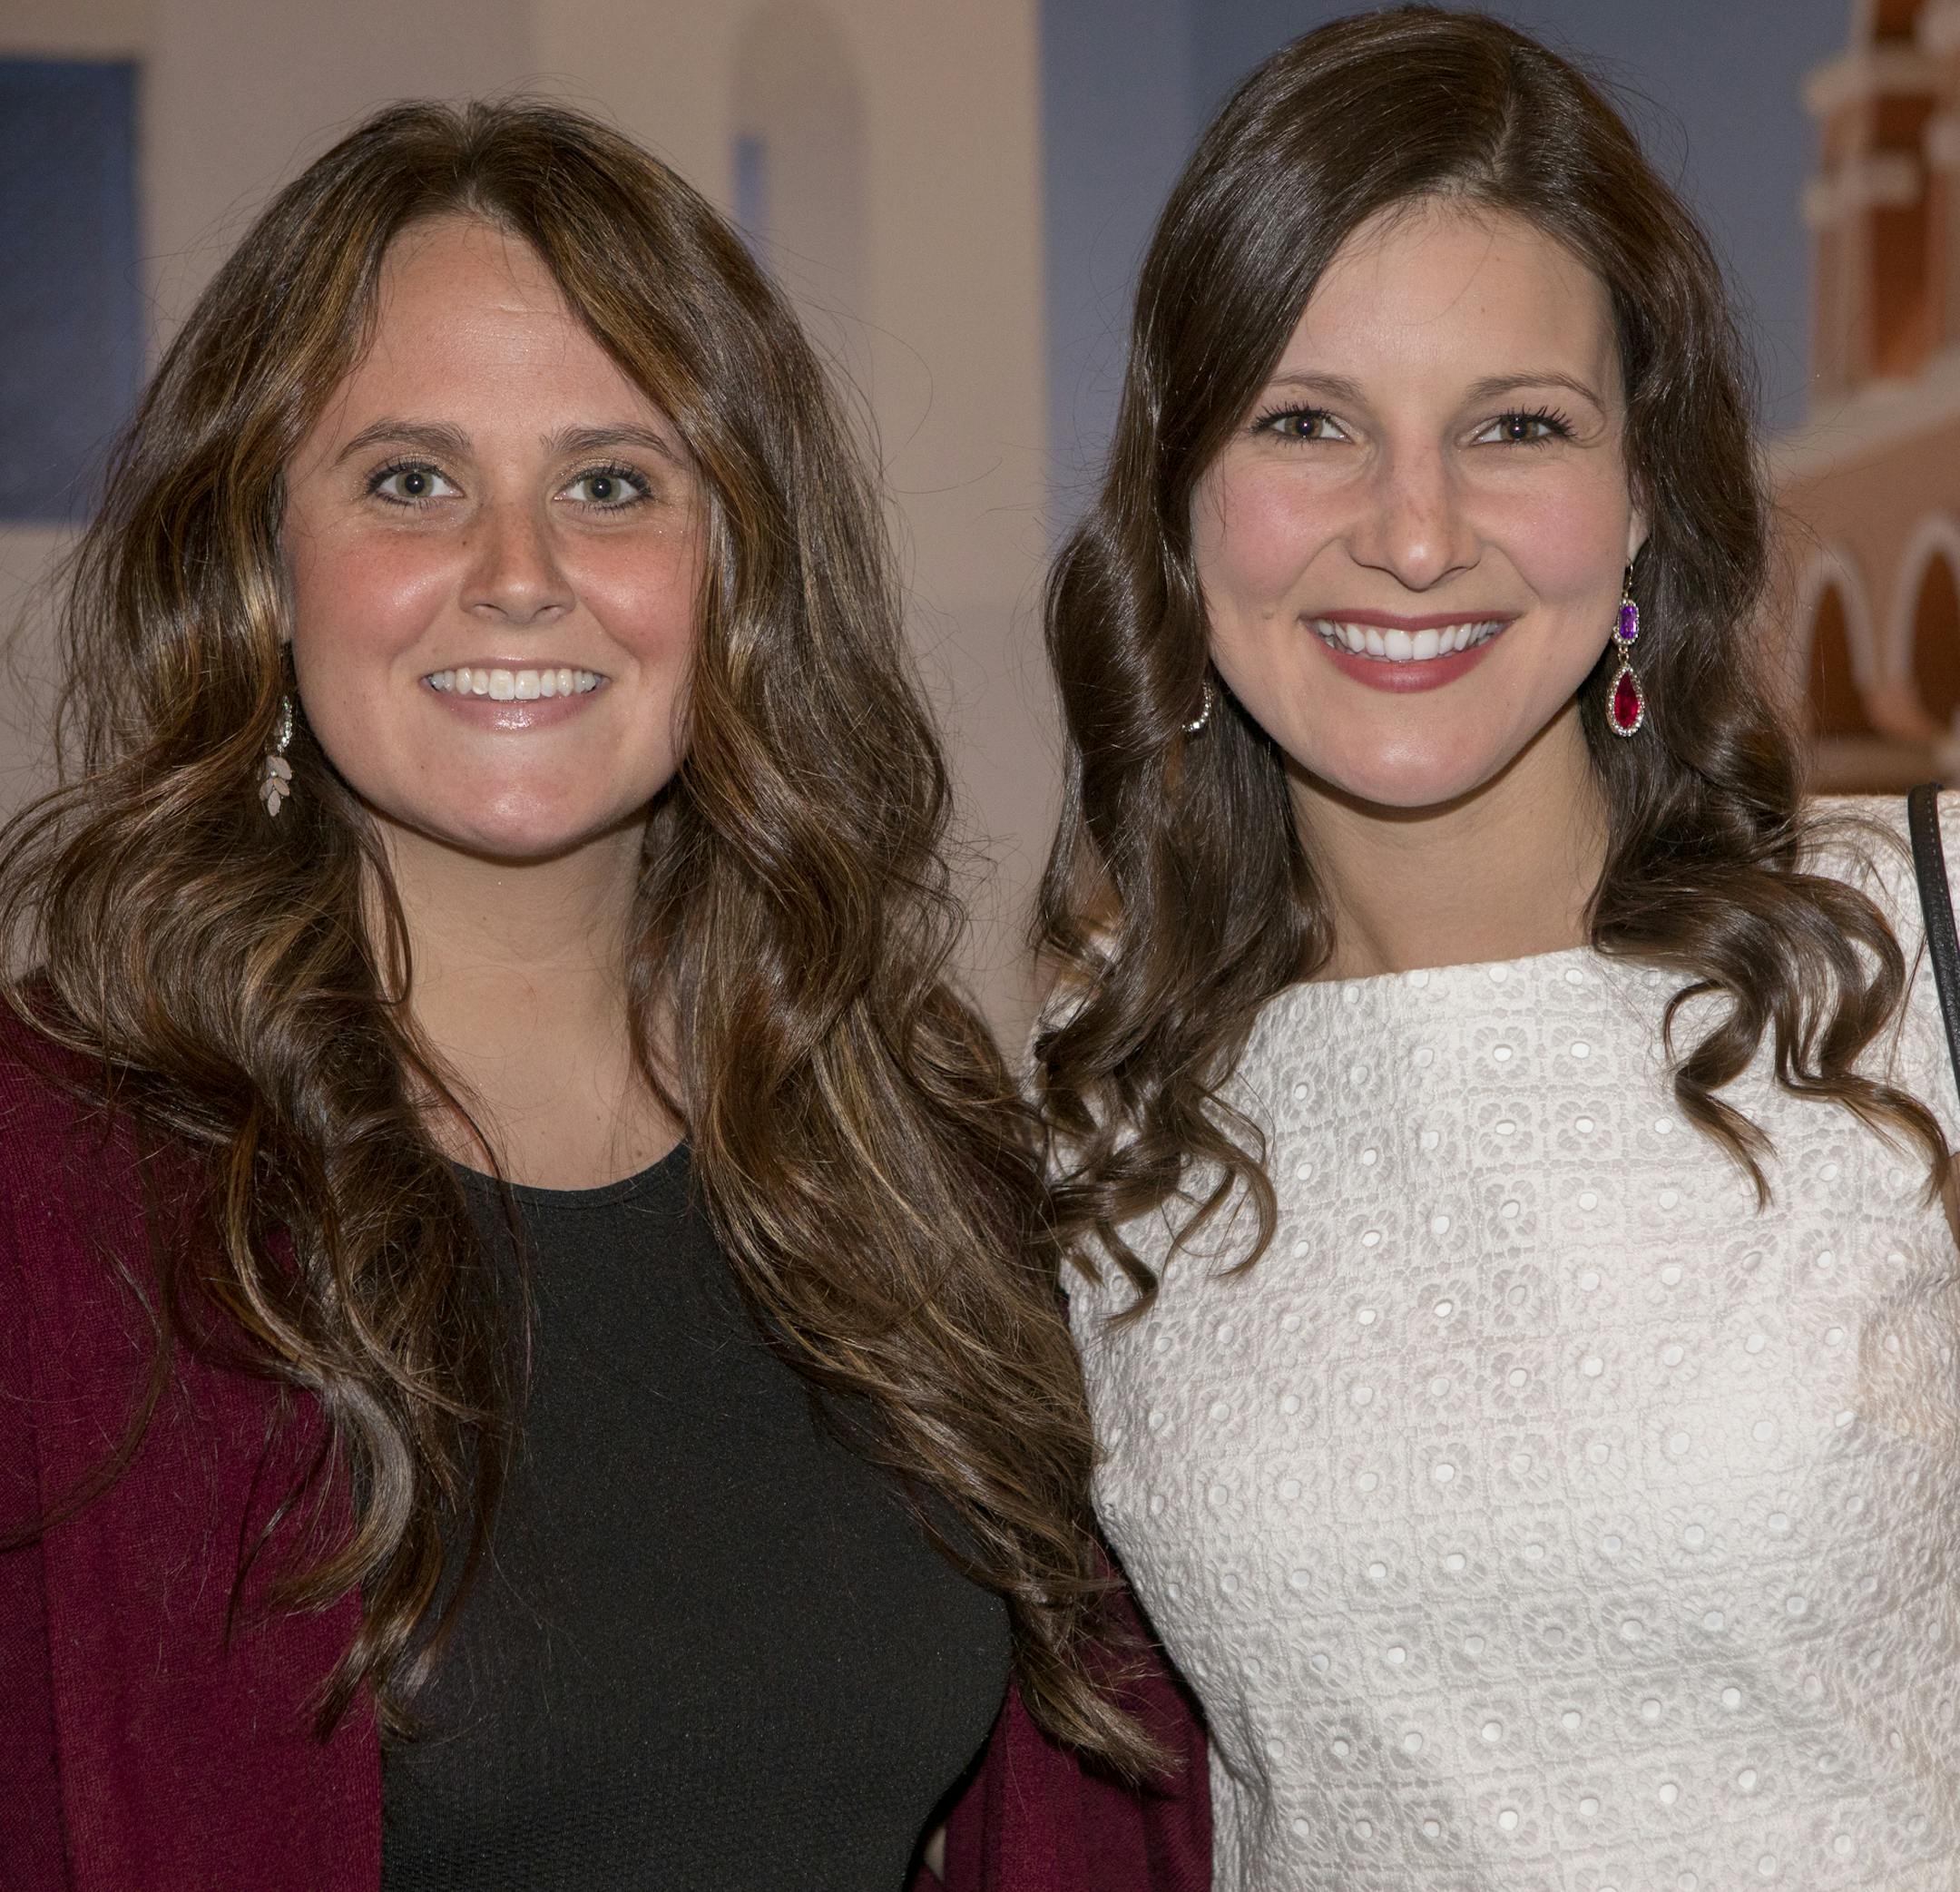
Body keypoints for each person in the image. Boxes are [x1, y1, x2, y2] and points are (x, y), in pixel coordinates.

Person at [0, 101, 1207, 1892]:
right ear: (258, 562)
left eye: (613, 480)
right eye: (410, 477)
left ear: (737, 572)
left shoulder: (919, 1170)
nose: (517, 570)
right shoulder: (58, 1186)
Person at [1033, 8, 1960, 1888]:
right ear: (1181, 508)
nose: (1416, 529)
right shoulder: (1099, 1108)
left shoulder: (1913, 958)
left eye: (1515, 426)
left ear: (1639, 506)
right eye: (1310, 423)